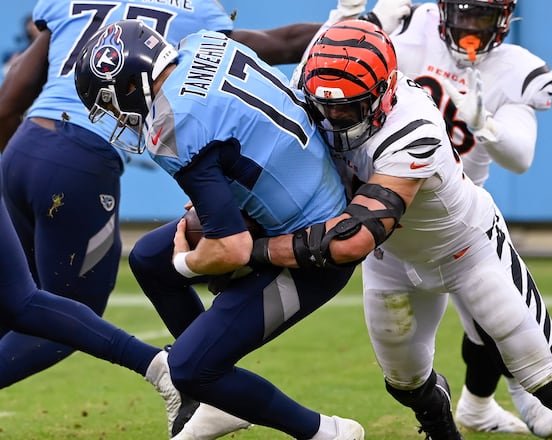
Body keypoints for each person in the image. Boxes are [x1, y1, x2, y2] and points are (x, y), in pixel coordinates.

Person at [227, 19, 552, 440]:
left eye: (349, 105)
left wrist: (250, 249)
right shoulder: (314, 93)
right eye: (326, 105)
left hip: (466, 250)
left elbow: (354, 236)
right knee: (404, 382)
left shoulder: (413, 126)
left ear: (383, 94)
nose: (334, 117)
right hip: (393, 258)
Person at [0, 0, 355, 395]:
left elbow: (10, 98)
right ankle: (188, 378)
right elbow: (283, 42)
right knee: (59, 312)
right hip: (78, 166)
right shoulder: (198, 30)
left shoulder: (72, 8)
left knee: (19, 301)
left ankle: (202, 385)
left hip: (22, 149)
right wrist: (354, 32)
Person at [73, 19, 365, 440]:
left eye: (112, 102)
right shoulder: (203, 45)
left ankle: (326, 432)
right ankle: (214, 401)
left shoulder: (174, 123)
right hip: (302, 199)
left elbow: (230, 250)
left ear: (132, 85)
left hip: (309, 250)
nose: (118, 116)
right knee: (148, 259)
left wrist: (189, 264)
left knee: (189, 366)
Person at [365, 0, 552, 436]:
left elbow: (521, 157)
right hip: (397, 196)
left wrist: (487, 124)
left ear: (505, 20)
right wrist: (368, 20)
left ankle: (485, 401)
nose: (470, 27)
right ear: (442, 11)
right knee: (439, 329)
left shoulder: (517, 68)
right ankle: (492, 400)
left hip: (459, 202)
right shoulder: (413, 30)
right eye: (464, 13)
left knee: (488, 318)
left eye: (482, 17)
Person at [0, 173, 199, 436]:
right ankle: (159, 365)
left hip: (46, 154)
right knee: (22, 303)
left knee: (24, 303)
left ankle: (157, 365)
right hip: (54, 153)